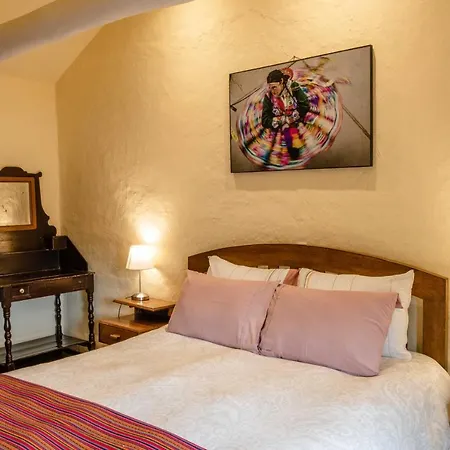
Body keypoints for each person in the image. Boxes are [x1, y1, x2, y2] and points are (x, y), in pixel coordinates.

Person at [262, 69, 310, 161]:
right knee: (290, 149)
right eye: (270, 88)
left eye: (274, 87)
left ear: (281, 82)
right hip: (282, 127)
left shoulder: (293, 87)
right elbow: (265, 120)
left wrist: (293, 116)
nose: (273, 91)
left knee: (303, 145)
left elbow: (305, 105)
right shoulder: (268, 96)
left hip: (298, 121)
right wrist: (281, 120)